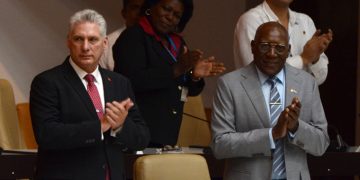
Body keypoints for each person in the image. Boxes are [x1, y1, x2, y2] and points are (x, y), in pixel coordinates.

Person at [30, 9, 150, 180]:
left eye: (93, 39)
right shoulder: (47, 82)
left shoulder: (120, 83)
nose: (85, 47)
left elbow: (142, 138)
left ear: (105, 42)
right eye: (78, 39)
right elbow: (46, 134)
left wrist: (120, 126)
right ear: (68, 42)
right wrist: (99, 126)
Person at [211, 22, 329, 180]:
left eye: (279, 48)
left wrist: (295, 127)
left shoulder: (307, 83)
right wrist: (271, 134)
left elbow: (321, 144)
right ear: (253, 47)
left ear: (288, 50)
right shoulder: (229, 84)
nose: (272, 54)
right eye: (265, 46)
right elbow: (220, 145)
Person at [113, 0, 225, 147]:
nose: (170, 17)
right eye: (166, 9)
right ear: (151, 7)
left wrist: (194, 76)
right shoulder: (133, 36)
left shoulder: (177, 42)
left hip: (167, 133)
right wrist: (176, 69)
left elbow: (186, 90)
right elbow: (131, 81)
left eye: (177, 15)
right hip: (137, 131)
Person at [233, 0, 333, 85]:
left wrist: (315, 58)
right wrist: (304, 59)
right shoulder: (250, 19)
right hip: (260, 104)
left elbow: (319, 79)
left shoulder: (305, 21)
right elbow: (257, 74)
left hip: (302, 103)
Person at [99, 0, 144, 70]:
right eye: (135, 8)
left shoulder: (159, 43)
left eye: (145, 8)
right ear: (124, 13)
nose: (140, 13)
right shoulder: (106, 45)